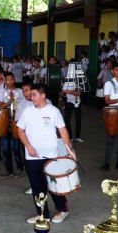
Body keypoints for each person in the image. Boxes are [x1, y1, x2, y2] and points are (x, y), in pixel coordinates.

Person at [17, 83, 74, 224]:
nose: (31, 97)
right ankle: (43, 213)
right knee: (37, 187)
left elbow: (63, 131)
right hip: (32, 156)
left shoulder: (53, 111)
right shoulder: (27, 111)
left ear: (43, 95)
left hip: (51, 156)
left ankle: (62, 210)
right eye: (31, 94)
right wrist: (28, 147)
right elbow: (20, 130)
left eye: (34, 94)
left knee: (54, 186)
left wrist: (68, 150)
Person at [0, 72, 24, 178]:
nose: (9, 82)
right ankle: (9, 170)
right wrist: (11, 101)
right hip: (4, 121)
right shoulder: (2, 91)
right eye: (7, 80)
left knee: (16, 147)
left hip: (16, 121)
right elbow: (1, 106)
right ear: (5, 81)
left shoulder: (20, 91)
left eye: (11, 79)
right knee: (5, 148)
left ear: (14, 80)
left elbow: (24, 106)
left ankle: (19, 168)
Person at [62, 77, 84, 143]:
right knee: (66, 120)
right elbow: (64, 91)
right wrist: (73, 92)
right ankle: (70, 137)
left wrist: (69, 91)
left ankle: (77, 137)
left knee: (78, 120)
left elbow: (79, 93)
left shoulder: (78, 82)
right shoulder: (66, 82)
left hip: (78, 102)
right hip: (69, 102)